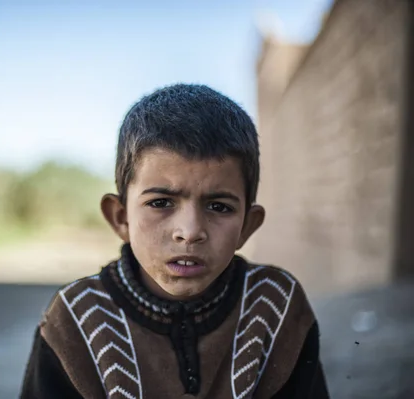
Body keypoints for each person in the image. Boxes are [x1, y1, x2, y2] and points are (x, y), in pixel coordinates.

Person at [20, 84, 329, 398]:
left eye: (219, 207)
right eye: (160, 203)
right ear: (121, 217)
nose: (190, 231)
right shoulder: (77, 318)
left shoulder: (275, 306)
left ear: (247, 226)